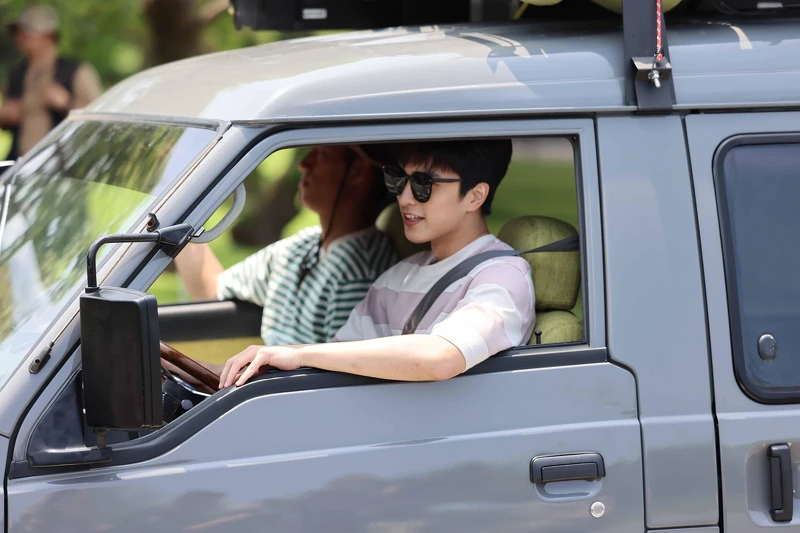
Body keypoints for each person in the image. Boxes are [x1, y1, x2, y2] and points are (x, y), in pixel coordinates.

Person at [219, 139, 535, 388]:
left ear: (475, 196)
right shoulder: (397, 277)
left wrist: (298, 353)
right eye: (398, 179)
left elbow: (441, 357)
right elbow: (336, 361)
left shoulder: (502, 277)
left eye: (423, 184)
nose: (405, 198)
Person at [173, 144, 399, 359]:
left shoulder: (358, 271)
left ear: (358, 171)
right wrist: (180, 207)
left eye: (320, 154)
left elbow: (339, 371)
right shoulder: (303, 245)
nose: (304, 164)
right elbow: (212, 289)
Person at [0, 5, 103, 160]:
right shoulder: (17, 73)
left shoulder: (77, 71)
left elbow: (99, 118)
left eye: (27, 32)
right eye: (17, 32)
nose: (19, 37)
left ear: (49, 35)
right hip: (19, 162)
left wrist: (66, 102)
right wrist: (6, 115)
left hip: (62, 164)